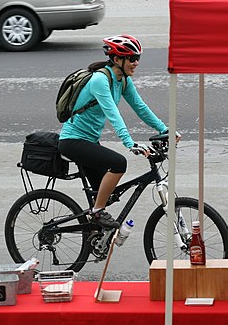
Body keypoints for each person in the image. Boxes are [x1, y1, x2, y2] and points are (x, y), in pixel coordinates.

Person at [58, 35, 177, 229]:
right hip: (73, 141)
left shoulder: (123, 81)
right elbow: (113, 113)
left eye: (137, 57)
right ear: (117, 59)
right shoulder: (99, 80)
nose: (136, 62)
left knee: (108, 194)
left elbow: (140, 107)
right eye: (131, 58)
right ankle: (96, 213)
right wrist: (130, 143)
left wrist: (165, 129)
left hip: (89, 142)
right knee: (118, 163)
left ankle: (95, 234)